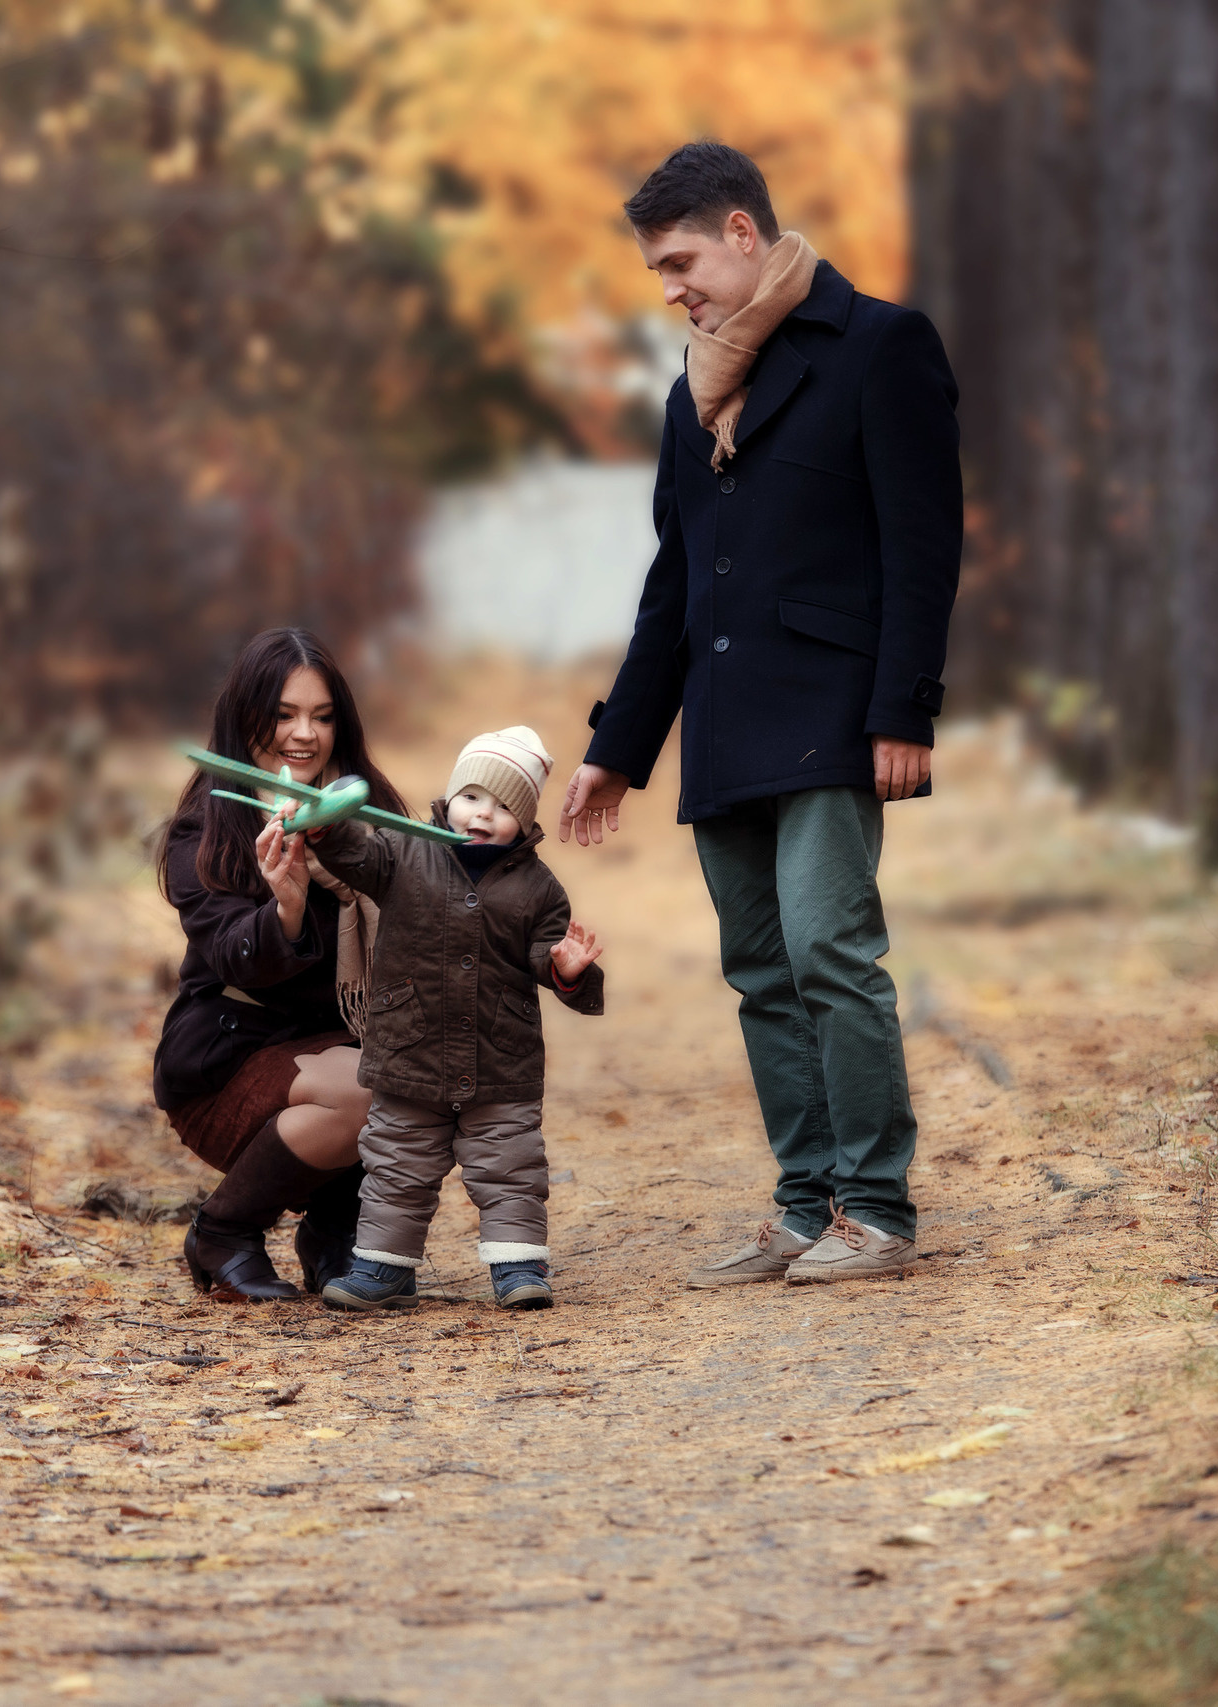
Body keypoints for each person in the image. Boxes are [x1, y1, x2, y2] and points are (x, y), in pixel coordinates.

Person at [557, 141, 962, 1289]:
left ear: (744, 232)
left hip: (835, 711)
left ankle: (875, 1211)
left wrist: (905, 712)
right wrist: (616, 752)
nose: (670, 287)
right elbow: (674, 583)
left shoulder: (880, 345)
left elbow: (922, 551)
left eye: (680, 260)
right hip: (727, 722)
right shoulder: (694, 395)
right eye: (655, 272)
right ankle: (804, 1203)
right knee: (759, 969)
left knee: (832, 952)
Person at [291, 726, 605, 1313]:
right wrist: (325, 825)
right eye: (472, 797)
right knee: (396, 1162)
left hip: (499, 1055)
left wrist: (566, 967)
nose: (483, 814)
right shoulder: (403, 853)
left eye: (505, 805)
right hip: (411, 1046)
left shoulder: (540, 888)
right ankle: (384, 1270)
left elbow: (544, 952)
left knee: (510, 1164)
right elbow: (354, 853)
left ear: (527, 819)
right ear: (449, 798)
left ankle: (519, 1266)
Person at [154, 628, 403, 1301]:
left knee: (421, 1066)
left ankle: (333, 1234)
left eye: (322, 716)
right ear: (246, 716)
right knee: (370, 1083)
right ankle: (225, 1229)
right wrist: (285, 910)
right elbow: (236, 955)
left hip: (338, 1051)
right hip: (227, 1061)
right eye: (285, 713)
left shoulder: (370, 813)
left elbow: (430, 915)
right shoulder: (207, 823)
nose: (305, 734)